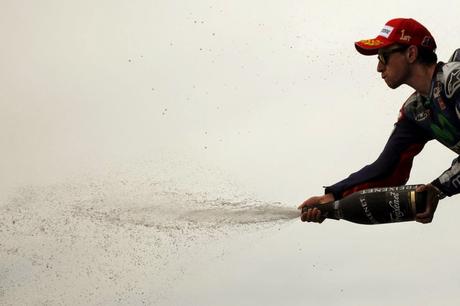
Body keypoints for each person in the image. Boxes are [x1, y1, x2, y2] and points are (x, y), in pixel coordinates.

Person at [299, 18, 460, 224]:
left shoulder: (454, 80)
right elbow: (387, 170)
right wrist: (332, 197)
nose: (378, 67)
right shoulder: (415, 111)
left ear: (411, 53)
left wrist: (438, 188)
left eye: (384, 56)